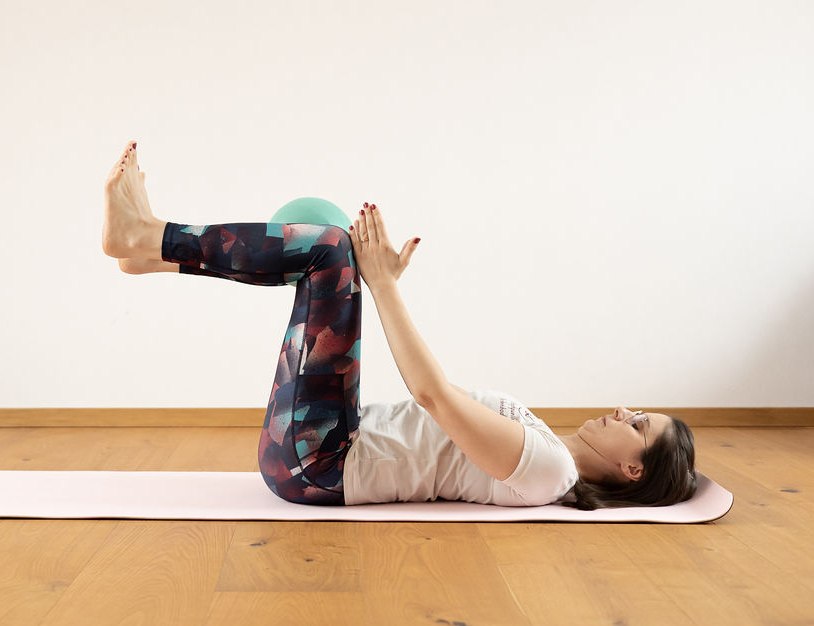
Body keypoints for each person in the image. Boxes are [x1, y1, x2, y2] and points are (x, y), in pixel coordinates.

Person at [102, 141, 698, 510]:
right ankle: (148, 250)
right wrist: (377, 286)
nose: (625, 410)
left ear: (633, 470)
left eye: (639, 424)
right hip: (321, 445)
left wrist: (383, 285)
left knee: (330, 252)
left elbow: (432, 396)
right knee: (328, 260)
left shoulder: (549, 472)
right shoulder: (543, 446)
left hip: (318, 463)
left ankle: (150, 239)